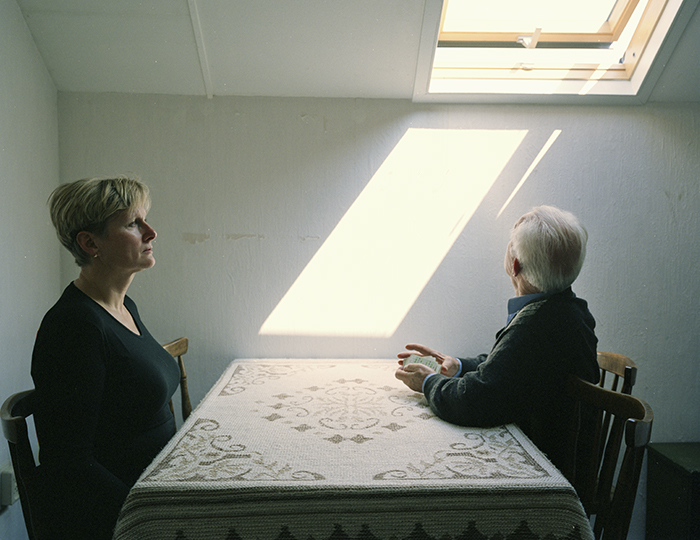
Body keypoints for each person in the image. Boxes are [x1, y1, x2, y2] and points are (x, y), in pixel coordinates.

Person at [395, 205, 599, 473]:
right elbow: (510, 370)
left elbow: (475, 401)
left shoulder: (536, 324)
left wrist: (428, 382)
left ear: (514, 265)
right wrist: (458, 366)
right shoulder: (568, 310)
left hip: (543, 471)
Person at [31, 176, 179, 540]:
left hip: (155, 498)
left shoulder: (124, 307)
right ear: (90, 243)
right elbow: (69, 463)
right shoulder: (74, 326)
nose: (151, 232)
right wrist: (147, 517)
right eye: (133, 224)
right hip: (121, 521)